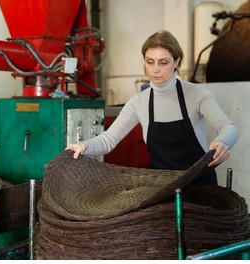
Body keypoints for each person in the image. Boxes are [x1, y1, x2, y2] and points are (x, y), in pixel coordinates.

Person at [66, 30, 239, 185]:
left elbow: (229, 127)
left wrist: (222, 142)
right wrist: (84, 146)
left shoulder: (196, 94)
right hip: (162, 188)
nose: (155, 69)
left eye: (163, 62)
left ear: (177, 61)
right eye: (150, 62)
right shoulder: (139, 102)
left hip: (200, 186)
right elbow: (108, 140)